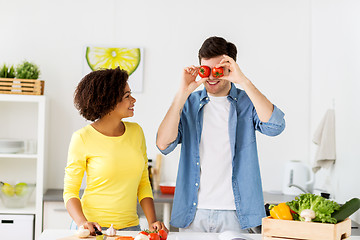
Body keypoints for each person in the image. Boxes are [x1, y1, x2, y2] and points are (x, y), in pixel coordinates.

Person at [156, 36, 285, 233]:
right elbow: (163, 144)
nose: (211, 77)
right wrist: (182, 93)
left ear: (230, 68)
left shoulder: (247, 102)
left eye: (219, 70)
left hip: (237, 213)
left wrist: (243, 81)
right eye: (205, 70)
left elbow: (275, 126)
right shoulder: (189, 103)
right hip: (194, 213)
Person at [63, 67, 167, 235]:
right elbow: (70, 191)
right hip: (93, 229)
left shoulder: (136, 132)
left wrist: (152, 221)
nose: (133, 100)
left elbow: (143, 183)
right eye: (127, 96)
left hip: (131, 229)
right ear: (109, 101)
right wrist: (82, 223)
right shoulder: (82, 137)